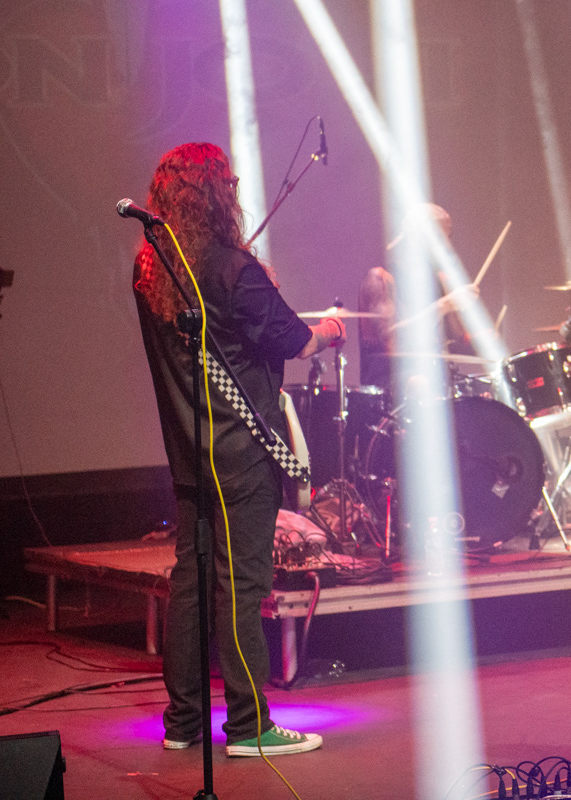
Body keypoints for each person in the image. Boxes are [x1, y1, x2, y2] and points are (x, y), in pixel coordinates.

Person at [133, 143, 344, 757]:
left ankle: (183, 723)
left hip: (190, 453)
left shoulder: (154, 271)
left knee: (192, 585)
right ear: (217, 195)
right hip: (241, 456)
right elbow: (296, 341)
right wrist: (332, 329)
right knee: (240, 589)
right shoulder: (232, 270)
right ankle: (250, 727)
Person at [356, 202, 472, 390]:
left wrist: (484, 339)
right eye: (439, 238)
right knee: (421, 385)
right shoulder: (381, 278)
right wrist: (442, 306)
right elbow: (393, 343)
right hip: (389, 387)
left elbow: (458, 342)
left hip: (434, 379)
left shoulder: (438, 280)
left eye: (447, 237)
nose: (446, 246)